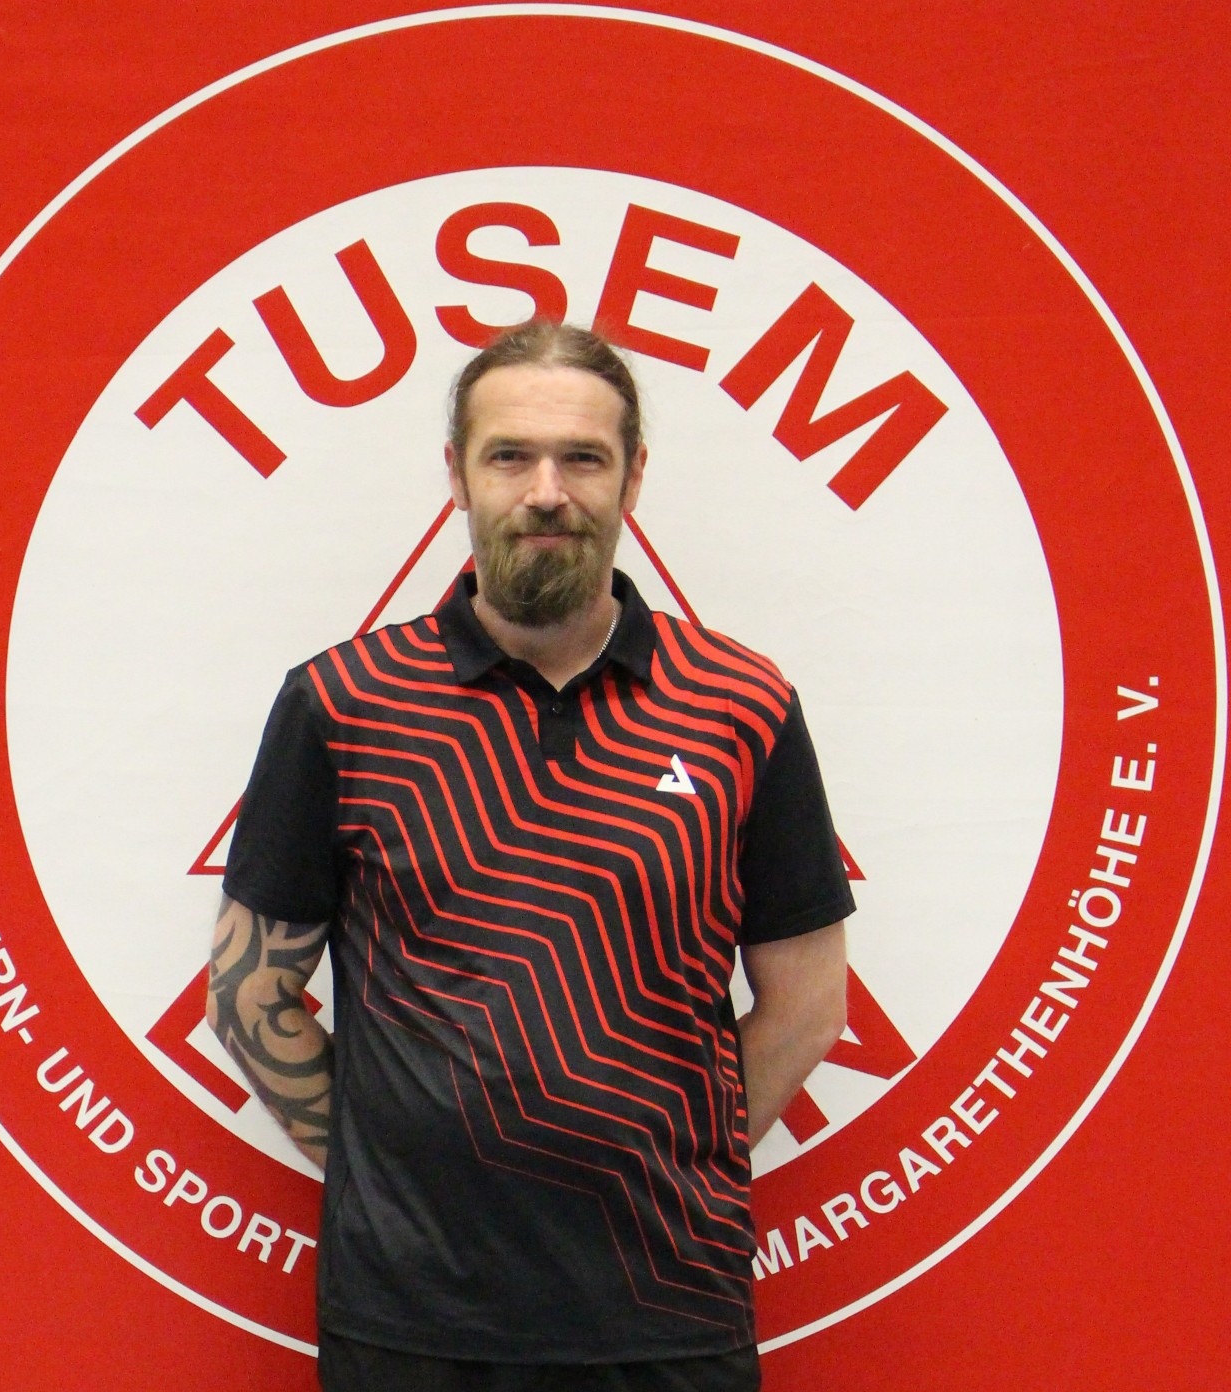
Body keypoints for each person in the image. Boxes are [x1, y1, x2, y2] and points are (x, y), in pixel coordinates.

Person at [208, 321, 854, 1392]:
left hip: (666, 1318)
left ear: (632, 477)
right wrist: (398, 1184)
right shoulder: (342, 704)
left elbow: (807, 1005)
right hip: (411, 1326)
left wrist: (652, 1176)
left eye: (582, 458)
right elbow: (250, 994)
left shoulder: (743, 706)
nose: (546, 492)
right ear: (457, 474)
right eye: (509, 455)